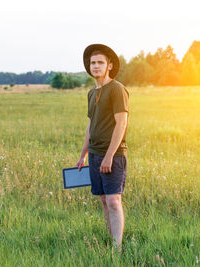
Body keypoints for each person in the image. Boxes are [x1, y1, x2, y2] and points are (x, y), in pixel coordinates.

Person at [76, 44, 129, 249]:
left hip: (113, 156)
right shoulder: (91, 92)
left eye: (100, 62)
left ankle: (117, 249)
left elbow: (121, 123)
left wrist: (109, 156)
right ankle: (110, 240)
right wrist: (83, 155)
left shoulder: (117, 89)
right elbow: (91, 125)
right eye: (92, 63)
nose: (95, 66)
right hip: (95, 155)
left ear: (109, 65)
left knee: (114, 201)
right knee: (104, 201)